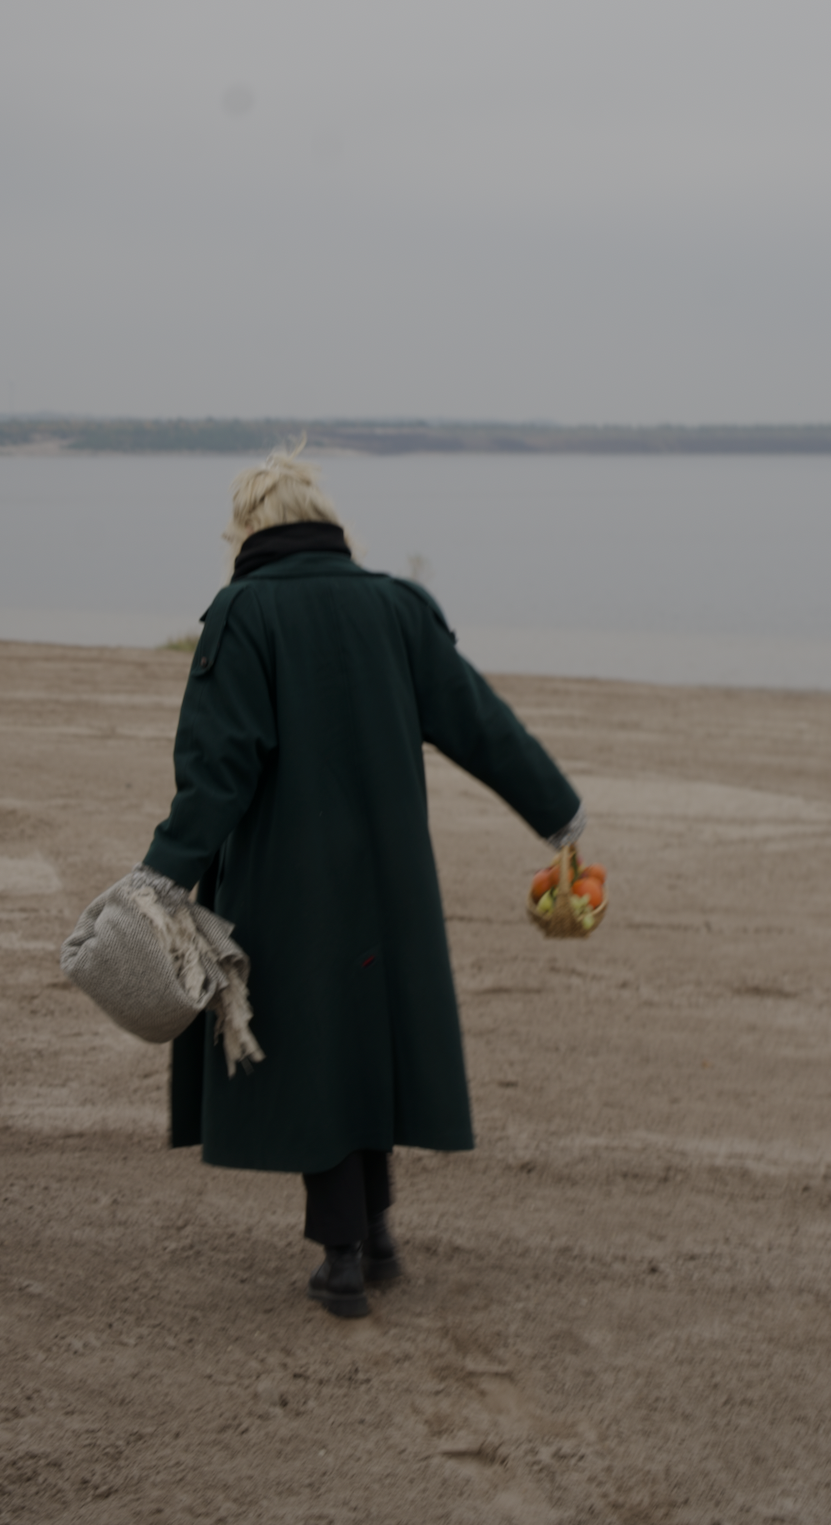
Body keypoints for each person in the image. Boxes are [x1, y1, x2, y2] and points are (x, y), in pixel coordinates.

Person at [140, 449, 586, 1318]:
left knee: (313, 1052)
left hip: (285, 877)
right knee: (368, 1042)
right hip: (391, 876)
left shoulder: (243, 613)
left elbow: (219, 771)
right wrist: (557, 812)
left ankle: (342, 1258)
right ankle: (377, 1236)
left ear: (246, 530)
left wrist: (165, 873)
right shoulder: (397, 606)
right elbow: (479, 723)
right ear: (327, 519)